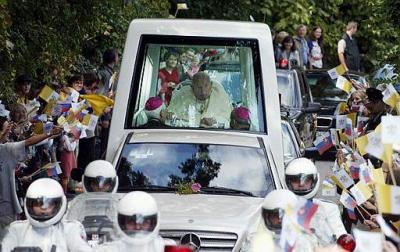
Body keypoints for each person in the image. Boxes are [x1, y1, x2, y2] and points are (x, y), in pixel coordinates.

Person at [0, 116, 63, 240]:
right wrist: (49, 133)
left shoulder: (6, 148)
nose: (9, 130)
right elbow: (28, 142)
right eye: (6, 128)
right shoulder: (5, 149)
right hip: (5, 208)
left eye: (9, 127)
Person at [1, 178, 91, 251]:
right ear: (29, 204)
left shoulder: (70, 228)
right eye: (37, 203)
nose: (43, 207)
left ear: (59, 204)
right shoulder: (17, 229)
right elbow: (6, 248)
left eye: (49, 204)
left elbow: (81, 248)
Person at [285, 158, 347, 240]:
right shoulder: (278, 209)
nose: (301, 184)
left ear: (314, 180)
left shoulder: (329, 209)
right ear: (288, 181)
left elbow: (341, 237)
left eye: (306, 180)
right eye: (295, 180)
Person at [95, 191, 166, 252]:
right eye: (131, 222)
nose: (138, 227)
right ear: (121, 222)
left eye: (145, 222)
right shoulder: (106, 250)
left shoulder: (165, 248)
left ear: (153, 222)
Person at [162, 72, 232, 128]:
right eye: (199, 87)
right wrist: (170, 116)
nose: (203, 91)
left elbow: (227, 121)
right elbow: (168, 117)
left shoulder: (220, 96)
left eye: (206, 86)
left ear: (211, 85)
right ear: (192, 87)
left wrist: (215, 122)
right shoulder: (182, 96)